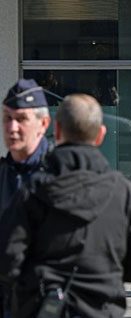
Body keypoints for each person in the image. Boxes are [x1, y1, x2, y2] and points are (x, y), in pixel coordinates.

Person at [0, 93, 131, 317]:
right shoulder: (125, 193)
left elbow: (7, 258)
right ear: (100, 135)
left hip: (42, 308)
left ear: (57, 131)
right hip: (102, 308)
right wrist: (106, 271)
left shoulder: (33, 190)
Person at [0, 79, 51, 318]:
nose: (12, 128)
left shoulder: (63, 174)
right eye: (7, 118)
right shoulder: (2, 175)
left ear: (43, 124)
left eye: (21, 119)